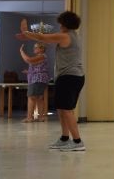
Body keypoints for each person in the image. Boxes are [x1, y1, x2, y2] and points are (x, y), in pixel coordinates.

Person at [21, 11, 86, 151]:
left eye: (61, 23)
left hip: (70, 77)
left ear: (65, 24)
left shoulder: (66, 36)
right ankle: (64, 138)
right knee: (61, 109)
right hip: (69, 77)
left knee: (67, 110)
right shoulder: (73, 36)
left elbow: (41, 37)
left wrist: (26, 32)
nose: (59, 25)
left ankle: (77, 142)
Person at [19, 42, 49, 122]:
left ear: (42, 49)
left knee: (31, 97)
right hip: (38, 79)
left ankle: (29, 117)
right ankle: (41, 117)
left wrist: (21, 51)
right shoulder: (41, 57)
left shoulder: (42, 56)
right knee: (39, 98)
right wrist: (28, 72)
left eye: (36, 47)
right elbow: (36, 67)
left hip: (37, 79)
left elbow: (28, 60)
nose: (34, 49)